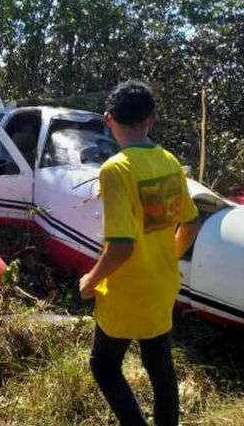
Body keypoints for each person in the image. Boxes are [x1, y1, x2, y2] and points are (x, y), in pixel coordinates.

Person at [78, 81, 200, 426]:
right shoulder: (170, 161)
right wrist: (167, 260)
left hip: (127, 291)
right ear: (152, 120)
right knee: (159, 365)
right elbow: (190, 224)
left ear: (108, 118)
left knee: (103, 365)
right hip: (162, 284)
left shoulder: (116, 169)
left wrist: (90, 279)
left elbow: (121, 245)